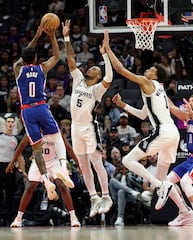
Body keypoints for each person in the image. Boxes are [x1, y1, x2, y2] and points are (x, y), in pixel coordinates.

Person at [104, 30, 178, 211]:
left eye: (151, 70)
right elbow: (143, 115)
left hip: (163, 131)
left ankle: (158, 185)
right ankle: (185, 211)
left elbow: (121, 70)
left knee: (128, 161)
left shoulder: (148, 83)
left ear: (155, 76)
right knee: (163, 175)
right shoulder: (159, 88)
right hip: (173, 133)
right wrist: (122, 105)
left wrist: (107, 49)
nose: (148, 69)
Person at [13, 23, 71, 202]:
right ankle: (62, 168)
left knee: (36, 148)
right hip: (41, 107)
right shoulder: (42, 68)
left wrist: (37, 36)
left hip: (27, 112)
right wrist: (52, 35)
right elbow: (56, 55)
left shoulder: (18, 68)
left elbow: (25, 55)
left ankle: (45, 179)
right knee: (56, 137)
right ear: (36, 57)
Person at [62, 20, 113, 217]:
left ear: (98, 76)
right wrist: (66, 37)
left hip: (89, 127)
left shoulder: (97, 89)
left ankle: (106, 195)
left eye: (95, 70)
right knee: (83, 165)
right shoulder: (79, 80)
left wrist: (105, 55)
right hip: (75, 127)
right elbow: (70, 59)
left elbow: (109, 77)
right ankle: (94, 197)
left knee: (96, 163)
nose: (91, 69)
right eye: (91, 68)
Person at [8, 134, 80, 228]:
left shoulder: (54, 130)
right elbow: (21, 146)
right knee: (29, 188)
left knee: (62, 185)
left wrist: (78, 163)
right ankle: (18, 218)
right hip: (38, 162)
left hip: (54, 161)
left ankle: (73, 217)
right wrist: (12, 162)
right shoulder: (32, 130)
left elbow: (67, 146)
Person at [165, 94, 193, 226]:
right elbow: (172, 107)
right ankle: (185, 212)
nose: (190, 102)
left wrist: (191, 113)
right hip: (190, 158)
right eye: (189, 101)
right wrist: (160, 90)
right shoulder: (187, 117)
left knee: (185, 182)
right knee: (167, 182)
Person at [0, 117, 19, 225]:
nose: (10, 124)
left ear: (14, 124)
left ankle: (10, 218)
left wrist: (22, 170)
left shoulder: (16, 139)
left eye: (12, 122)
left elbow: (18, 155)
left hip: (10, 167)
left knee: (10, 193)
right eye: (8, 122)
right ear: (5, 124)